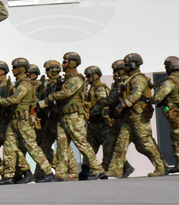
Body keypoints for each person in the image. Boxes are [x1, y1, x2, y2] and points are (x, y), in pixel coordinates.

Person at [41, 52, 106, 180]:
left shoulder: (76, 79)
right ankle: (60, 174)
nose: (62, 64)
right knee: (61, 146)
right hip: (63, 116)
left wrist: (50, 98)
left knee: (81, 143)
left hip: (74, 116)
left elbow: (66, 92)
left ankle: (97, 168)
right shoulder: (66, 79)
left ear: (73, 63)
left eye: (65, 62)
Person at [106, 53, 167, 178]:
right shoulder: (129, 79)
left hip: (139, 116)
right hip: (129, 117)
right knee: (121, 142)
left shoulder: (139, 79)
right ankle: (115, 169)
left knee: (146, 143)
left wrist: (123, 105)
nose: (125, 67)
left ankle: (161, 167)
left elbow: (136, 94)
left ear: (134, 64)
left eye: (127, 64)